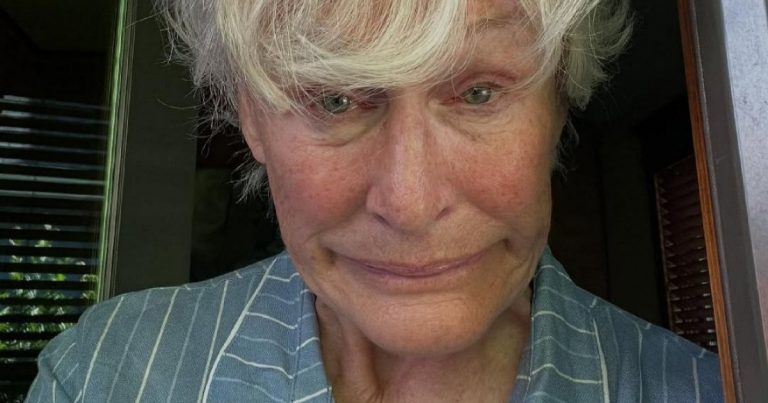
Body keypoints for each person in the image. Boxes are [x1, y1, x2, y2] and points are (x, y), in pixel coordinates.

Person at [26, 0, 724, 402]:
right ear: (251, 118)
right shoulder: (107, 374)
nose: (410, 203)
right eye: (334, 98)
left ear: (559, 102)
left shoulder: (702, 389)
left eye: (479, 92)